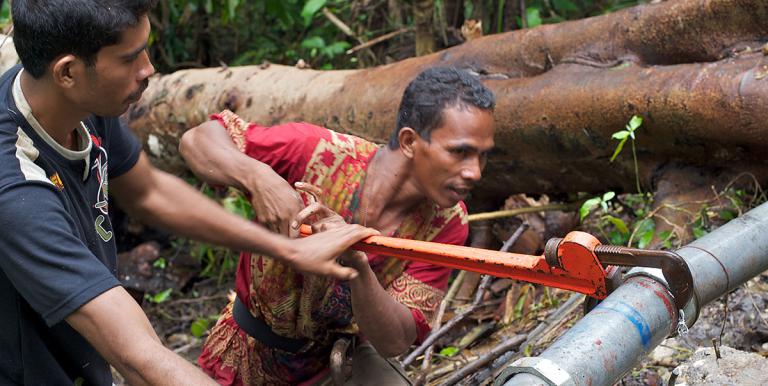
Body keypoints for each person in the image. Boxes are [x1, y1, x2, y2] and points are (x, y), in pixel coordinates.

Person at [0, 1, 376, 385]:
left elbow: (150, 193)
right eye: (130, 58)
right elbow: (139, 358)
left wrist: (285, 248)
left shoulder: (74, 101)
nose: (148, 69)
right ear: (67, 72)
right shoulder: (14, 190)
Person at [180, 66, 496, 385]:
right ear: (410, 142)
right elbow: (198, 140)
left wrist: (357, 266)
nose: (475, 173)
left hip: (336, 365)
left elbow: (396, 340)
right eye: (460, 153)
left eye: (482, 157)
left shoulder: (447, 223)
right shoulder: (315, 152)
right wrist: (258, 177)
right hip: (246, 355)